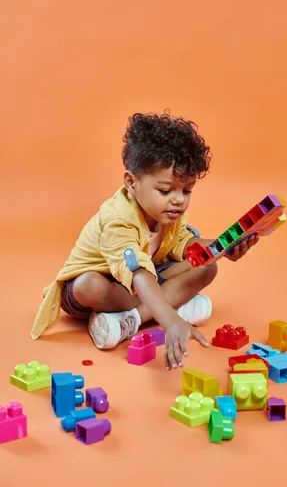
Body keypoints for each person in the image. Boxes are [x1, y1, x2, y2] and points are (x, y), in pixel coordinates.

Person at [30, 112, 259, 370]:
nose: (178, 200)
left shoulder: (167, 211)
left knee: (207, 265)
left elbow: (183, 246)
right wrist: (170, 320)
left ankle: (131, 319)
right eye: (166, 190)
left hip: (145, 279)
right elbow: (136, 271)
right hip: (109, 282)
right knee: (88, 285)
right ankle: (170, 307)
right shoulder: (118, 217)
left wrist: (223, 247)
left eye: (187, 191)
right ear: (131, 182)